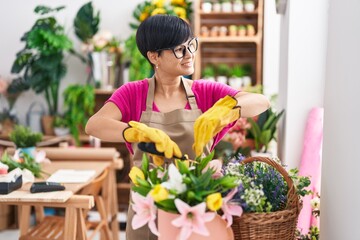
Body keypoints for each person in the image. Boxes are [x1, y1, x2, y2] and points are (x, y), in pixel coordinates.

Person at [85, 14, 270, 240]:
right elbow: (94, 125)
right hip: (148, 210)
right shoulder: (134, 93)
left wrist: (227, 108)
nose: (190, 54)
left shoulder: (205, 92)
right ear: (154, 56)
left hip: (196, 210)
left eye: (191, 44)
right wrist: (133, 131)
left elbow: (261, 102)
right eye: (179, 49)